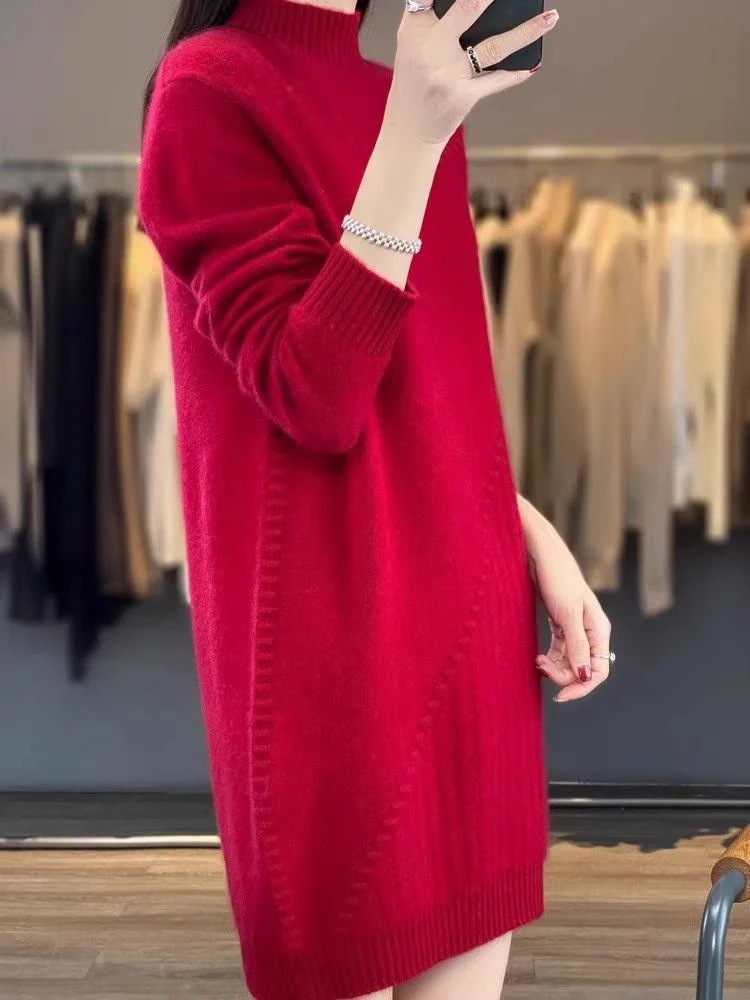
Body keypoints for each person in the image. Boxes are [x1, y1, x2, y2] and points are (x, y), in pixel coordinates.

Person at [139, 1, 613, 998]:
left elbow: (432, 393)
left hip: (470, 640)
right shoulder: (207, 86)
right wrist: (414, 132)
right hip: (331, 668)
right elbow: (314, 397)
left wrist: (531, 535)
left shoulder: (403, 98)